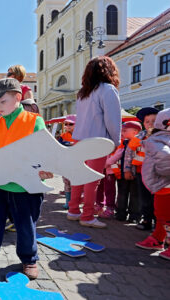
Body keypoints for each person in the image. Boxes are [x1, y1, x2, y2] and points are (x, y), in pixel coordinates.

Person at [0, 78, 53, 279]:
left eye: (2, 101)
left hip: (25, 187)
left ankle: (29, 259)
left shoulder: (34, 121)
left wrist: (45, 168)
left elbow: (45, 150)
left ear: (18, 98)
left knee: (25, 226)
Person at [67, 56, 122, 229]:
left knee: (79, 176)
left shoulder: (84, 92)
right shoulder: (108, 89)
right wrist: (115, 141)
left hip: (80, 138)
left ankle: (74, 210)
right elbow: (113, 119)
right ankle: (88, 216)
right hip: (98, 140)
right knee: (92, 180)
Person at [135, 108, 170, 260]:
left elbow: (165, 158)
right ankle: (157, 238)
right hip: (163, 184)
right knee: (163, 215)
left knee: (163, 215)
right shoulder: (162, 138)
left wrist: (165, 171)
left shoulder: (156, 139)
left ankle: (159, 239)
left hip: (163, 184)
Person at [125, 107, 159, 230]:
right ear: (143, 123)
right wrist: (127, 169)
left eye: (154, 121)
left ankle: (159, 223)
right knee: (145, 198)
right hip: (141, 173)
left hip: (158, 174)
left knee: (158, 199)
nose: (150, 124)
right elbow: (129, 153)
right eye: (147, 121)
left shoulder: (164, 135)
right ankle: (147, 220)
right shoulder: (139, 137)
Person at [113, 121, 141, 222]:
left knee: (135, 196)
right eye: (122, 130)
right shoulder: (123, 143)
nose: (122, 132)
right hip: (122, 173)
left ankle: (134, 216)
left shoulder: (140, 143)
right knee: (121, 194)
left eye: (125, 130)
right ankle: (120, 213)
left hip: (136, 174)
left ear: (135, 132)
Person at [57, 115, 77, 209]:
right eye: (66, 124)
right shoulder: (63, 136)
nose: (68, 126)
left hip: (77, 163)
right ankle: (68, 202)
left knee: (76, 183)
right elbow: (58, 147)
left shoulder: (80, 135)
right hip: (66, 162)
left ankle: (75, 202)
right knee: (66, 182)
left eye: (71, 124)